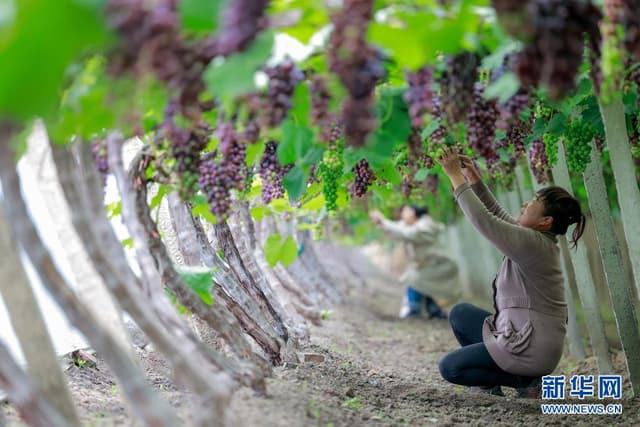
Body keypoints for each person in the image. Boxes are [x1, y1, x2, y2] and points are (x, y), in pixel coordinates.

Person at [436, 147, 586, 398]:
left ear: (545, 222)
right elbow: (499, 218)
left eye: (532, 204)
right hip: (522, 336)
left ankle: (524, 382)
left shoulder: (533, 244)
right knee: (461, 314)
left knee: (450, 368)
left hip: (530, 349)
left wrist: (455, 177)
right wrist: (475, 182)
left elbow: (486, 222)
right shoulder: (536, 240)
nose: (525, 204)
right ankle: (498, 382)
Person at [369, 204, 460, 320]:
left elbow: (408, 233)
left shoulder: (426, 225)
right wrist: (381, 223)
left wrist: (384, 221)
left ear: (414, 211)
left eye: (405, 211)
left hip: (441, 266)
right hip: (428, 266)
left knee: (414, 279)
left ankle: (415, 308)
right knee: (421, 282)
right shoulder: (410, 225)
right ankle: (434, 309)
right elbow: (397, 231)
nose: (402, 214)